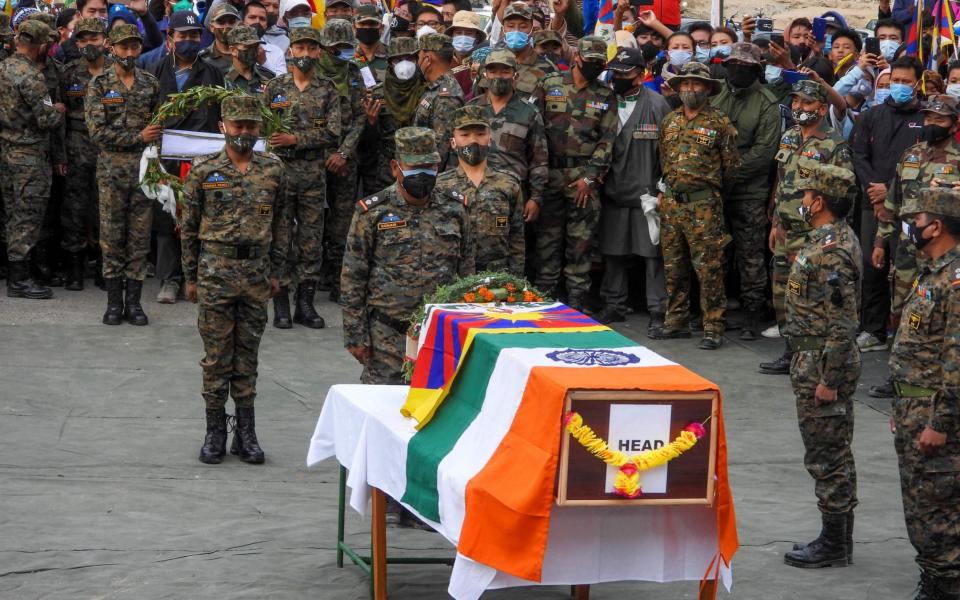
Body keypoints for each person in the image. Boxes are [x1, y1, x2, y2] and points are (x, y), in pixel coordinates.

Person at [181, 95, 288, 466]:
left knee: (248, 355)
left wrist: (276, 271)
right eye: (237, 125)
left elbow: (280, 225)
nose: (244, 132)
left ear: (260, 129)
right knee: (216, 357)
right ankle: (214, 431)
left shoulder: (273, 169)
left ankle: (246, 432)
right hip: (215, 272)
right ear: (222, 127)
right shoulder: (203, 170)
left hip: (256, 273)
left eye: (251, 125)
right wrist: (190, 275)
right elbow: (188, 227)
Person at [341, 126, 475, 385]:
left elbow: (467, 271)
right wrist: (356, 336)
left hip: (440, 337)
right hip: (387, 338)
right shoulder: (373, 213)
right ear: (395, 167)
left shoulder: (455, 209)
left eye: (429, 166)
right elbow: (352, 277)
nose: (422, 174)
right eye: (414, 167)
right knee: (383, 410)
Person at [780, 162, 861, 570]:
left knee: (827, 455)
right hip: (811, 357)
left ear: (821, 201)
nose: (803, 198)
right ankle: (838, 540)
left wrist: (829, 378)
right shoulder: (824, 240)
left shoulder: (833, 252)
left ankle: (833, 544)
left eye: (809, 193)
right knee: (831, 452)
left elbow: (844, 323)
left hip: (822, 363)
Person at [882, 184, 960, 599]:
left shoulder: (956, 280)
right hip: (914, 408)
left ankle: (945, 585)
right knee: (921, 507)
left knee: (939, 511)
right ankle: (934, 577)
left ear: (938, 226)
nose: (912, 227)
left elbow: (956, 361)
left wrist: (940, 422)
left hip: (936, 418)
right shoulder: (933, 273)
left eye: (918, 221)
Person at [761, 79, 854, 373]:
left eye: (807, 103)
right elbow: (781, 177)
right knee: (782, 293)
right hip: (785, 228)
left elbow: (843, 191)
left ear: (822, 108)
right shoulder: (788, 136)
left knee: (808, 296)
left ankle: (813, 357)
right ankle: (791, 351)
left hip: (812, 235)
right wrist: (775, 220)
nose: (800, 108)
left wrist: (826, 238)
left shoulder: (834, 144)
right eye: (796, 102)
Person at [872, 96, 960, 398]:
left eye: (940, 119)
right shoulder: (910, 156)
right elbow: (892, 205)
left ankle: (939, 381)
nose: (933, 124)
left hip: (945, 257)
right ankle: (897, 374)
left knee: (941, 317)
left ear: (954, 123)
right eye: (929, 118)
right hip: (907, 250)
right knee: (900, 311)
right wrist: (881, 242)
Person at [656, 62, 740, 350]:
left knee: (709, 269)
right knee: (673, 267)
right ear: (678, 88)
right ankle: (675, 320)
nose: (691, 89)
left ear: (707, 88)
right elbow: (664, 161)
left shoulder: (719, 122)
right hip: (671, 204)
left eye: (697, 84)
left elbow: (731, 169)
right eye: (686, 84)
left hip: (704, 205)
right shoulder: (670, 121)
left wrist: (711, 195)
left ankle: (713, 326)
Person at [263, 26, 342, 329]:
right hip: (281, 173)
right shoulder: (275, 87)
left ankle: (305, 304)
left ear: (319, 52)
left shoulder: (328, 89)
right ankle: (280, 303)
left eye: (312, 48)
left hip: (312, 173)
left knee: (310, 239)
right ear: (290, 51)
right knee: (280, 237)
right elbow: (263, 127)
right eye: (300, 48)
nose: (306, 54)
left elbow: (333, 131)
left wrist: (297, 138)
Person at [85, 24, 161, 324]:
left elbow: (157, 128)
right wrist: (138, 137)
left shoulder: (149, 83)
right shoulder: (100, 84)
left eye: (134, 46)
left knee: (140, 238)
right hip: (112, 172)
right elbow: (97, 133)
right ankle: (114, 303)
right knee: (112, 236)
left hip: (143, 172)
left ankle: (135, 303)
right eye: (123, 47)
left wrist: (151, 145)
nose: (129, 53)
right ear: (111, 48)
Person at [149, 10, 226, 305]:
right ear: (171, 38)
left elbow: (221, 113)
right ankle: (169, 280)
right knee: (168, 217)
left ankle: (200, 277)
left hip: (201, 157)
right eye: (183, 36)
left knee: (201, 220)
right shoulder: (155, 70)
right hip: (166, 157)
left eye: (194, 35)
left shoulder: (212, 72)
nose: (189, 41)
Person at [851, 55, 924, 359]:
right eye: (896, 80)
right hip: (873, 204)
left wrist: (891, 193)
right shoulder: (872, 115)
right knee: (873, 266)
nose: (900, 86)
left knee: (909, 271)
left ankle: (908, 334)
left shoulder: (925, 118)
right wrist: (877, 194)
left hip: (909, 207)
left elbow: (922, 162)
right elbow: (858, 155)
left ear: (918, 83)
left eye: (907, 82)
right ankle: (873, 329)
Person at [536, 36, 617, 310]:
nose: (593, 66)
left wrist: (589, 178)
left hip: (583, 177)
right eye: (589, 61)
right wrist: (539, 173)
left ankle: (577, 302)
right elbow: (535, 132)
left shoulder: (605, 95)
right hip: (550, 174)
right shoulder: (550, 85)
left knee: (580, 245)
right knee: (547, 243)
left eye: (599, 63)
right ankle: (544, 300)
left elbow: (607, 140)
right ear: (577, 58)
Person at [707, 43, 781, 340]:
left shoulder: (767, 102)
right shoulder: (716, 93)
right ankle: (714, 313)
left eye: (746, 67)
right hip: (714, 189)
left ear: (757, 71)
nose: (739, 70)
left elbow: (765, 152)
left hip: (749, 191)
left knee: (750, 256)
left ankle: (752, 313)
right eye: (734, 65)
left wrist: (727, 171)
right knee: (716, 254)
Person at [597, 47, 671, 335]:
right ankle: (614, 304)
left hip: (646, 196)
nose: (619, 78)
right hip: (612, 192)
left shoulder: (657, 104)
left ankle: (657, 310)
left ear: (640, 76)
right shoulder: (604, 101)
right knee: (612, 251)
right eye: (615, 73)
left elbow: (668, 152)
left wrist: (662, 189)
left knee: (652, 255)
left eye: (625, 73)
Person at [0, 19, 65, 300]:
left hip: (6, 151)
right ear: (40, 46)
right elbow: (46, 117)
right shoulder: (31, 75)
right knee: (27, 218)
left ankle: (13, 271)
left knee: (12, 213)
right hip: (29, 156)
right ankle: (20, 280)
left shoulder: (3, 68)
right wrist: (59, 108)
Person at [435, 106, 525, 274]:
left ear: (490, 139)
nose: (473, 141)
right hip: (453, 280)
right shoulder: (440, 187)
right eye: (465, 135)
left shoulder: (508, 184)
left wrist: (516, 281)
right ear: (453, 142)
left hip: (498, 279)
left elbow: (517, 239)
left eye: (480, 134)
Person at [316, 18, 365, 304]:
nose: (344, 53)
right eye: (338, 48)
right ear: (325, 48)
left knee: (342, 223)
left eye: (347, 47)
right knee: (311, 221)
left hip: (346, 159)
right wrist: (325, 155)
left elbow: (360, 117)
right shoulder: (314, 74)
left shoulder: (355, 73)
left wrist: (344, 153)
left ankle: (337, 279)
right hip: (314, 158)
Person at [467, 49, 546, 225]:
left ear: (515, 75)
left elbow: (539, 161)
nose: (498, 76)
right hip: (474, 193)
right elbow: (456, 153)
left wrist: (536, 198)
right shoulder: (471, 109)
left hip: (514, 196)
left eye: (505, 71)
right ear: (485, 74)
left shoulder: (529, 113)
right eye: (493, 71)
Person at [58, 17, 109, 292]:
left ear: (105, 40)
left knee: (104, 209)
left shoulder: (117, 72)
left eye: (95, 38)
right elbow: (60, 117)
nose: (90, 44)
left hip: (107, 149)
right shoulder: (67, 74)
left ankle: (104, 266)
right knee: (74, 209)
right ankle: (74, 268)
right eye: (84, 39)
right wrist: (60, 155)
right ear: (76, 43)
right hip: (76, 147)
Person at [413, 33, 464, 171]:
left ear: (427, 59)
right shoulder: (436, 88)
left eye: (418, 57)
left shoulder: (445, 96)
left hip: (433, 176)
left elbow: (441, 147)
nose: (417, 63)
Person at [500, 2, 558, 105]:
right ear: (503, 29)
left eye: (523, 26)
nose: (516, 31)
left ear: (531, 30)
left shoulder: (548, 69)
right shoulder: (490, 63)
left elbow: (553, 114)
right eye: (510, 26)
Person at [223, 25, 274, 94]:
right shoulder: (222, 78)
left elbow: (277, 102)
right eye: (248, 47)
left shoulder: (268, 76)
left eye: (255, 46)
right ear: (233, 50)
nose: (252, 51)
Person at [199, 3, 241, 75]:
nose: (227, 26)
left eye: (232, 22)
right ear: (212, 27)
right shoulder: (202, 59)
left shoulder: (247, 53)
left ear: (239, 25)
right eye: (221, 22)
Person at [353, 4, 388, 82]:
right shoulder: (346, 58)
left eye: (373, 24)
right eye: (362, 24)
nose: (367, 28)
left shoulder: (393, 57)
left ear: (381, 28)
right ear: (354, 28)